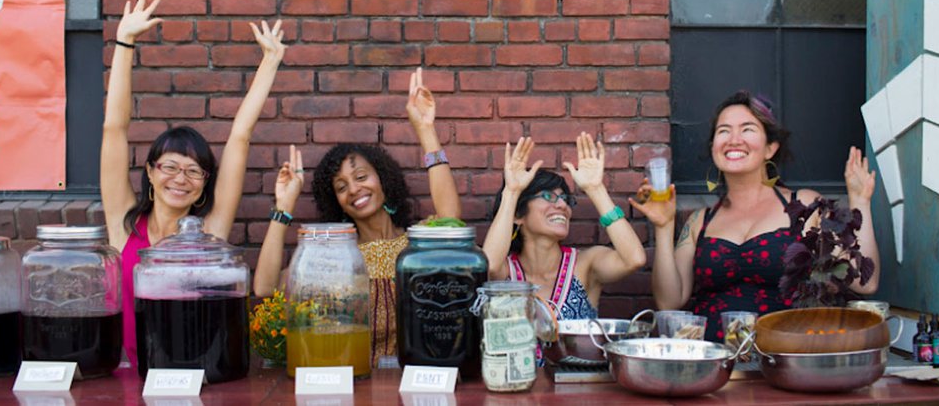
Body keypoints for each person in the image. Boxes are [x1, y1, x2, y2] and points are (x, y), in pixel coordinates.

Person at [101, 0, 285, 364]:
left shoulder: (210, 234)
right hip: (133, 377)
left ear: (204, 185)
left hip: (197, 376)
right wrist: (124, 43)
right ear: (151, 174)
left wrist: (270, 62)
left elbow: (240, 137)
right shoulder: (124, 227)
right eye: (169, 166)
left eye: (193, 171)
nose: (179, 179)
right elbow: (114, 129)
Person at [632, 90, 880, 342]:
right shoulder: (700, 221)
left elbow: (864, 283)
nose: (734, 139)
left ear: (770, 148)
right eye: (724, 131)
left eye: (747, 129)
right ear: (714, 147)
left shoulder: (806, 206)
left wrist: (860, 202)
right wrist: (663, 226)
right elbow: (669, 302)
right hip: (712, 362)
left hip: (784, 359)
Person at [252, 68, 461, 365]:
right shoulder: (334, 260)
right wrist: (284, 207)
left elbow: (451, 219)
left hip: (417, 380)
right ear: (336, 201)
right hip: (355, 384)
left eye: (361, 176)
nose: (354, 189)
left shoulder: (418, 245)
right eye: (341, 186)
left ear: (384, 180)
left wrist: (426, 131)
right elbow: (264, 287)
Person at [483, 133, 647, 320]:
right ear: (519, 215)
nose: (562, 205)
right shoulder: (506, 271)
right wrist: (512, 192)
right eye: (548, 197)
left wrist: (596, 189)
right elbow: (488, 265)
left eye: (564, 198)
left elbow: (634, 259)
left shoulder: (585, 265)